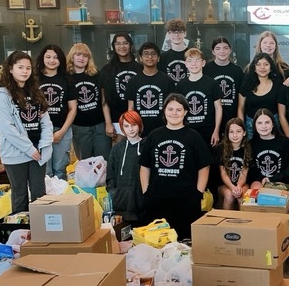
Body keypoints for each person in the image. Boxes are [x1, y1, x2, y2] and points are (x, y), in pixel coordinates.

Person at [139, 93, 214, 237]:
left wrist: (198, 194)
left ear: (185, 112)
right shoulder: (154, 135)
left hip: (186, 200)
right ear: (164, 111)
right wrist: (146, 193)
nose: (174, 113)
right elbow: (144, 167)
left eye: (179, 110)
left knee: (185, 242)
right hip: (157, 199)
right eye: (170, 109)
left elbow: (204, 167)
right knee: (158, 240)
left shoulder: (194, 136)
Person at [0, 51, 53, 214]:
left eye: (28, 68)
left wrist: (44, 145)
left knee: (39, 193)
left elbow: (46, 122)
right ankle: (20, 228)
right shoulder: (2, 96)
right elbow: (7, 129)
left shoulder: (35, 92)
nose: (25, 71)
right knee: (20, 195)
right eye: (20, 67)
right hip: (16, 153)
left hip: (38, 151)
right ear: (10, 69)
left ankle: (40, 227)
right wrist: (29, 148)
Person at [35, 44, 76, 180]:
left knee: (60, 169)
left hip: (62, 129)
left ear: (60, 60)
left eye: (55, 57)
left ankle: (61, 194)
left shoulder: (67, 79)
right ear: (42, 58)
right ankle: (46, 194)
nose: (52, 60)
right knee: (45, 170)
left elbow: (73, 109)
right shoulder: (34, 79)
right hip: (40, 130)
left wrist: (62, 132)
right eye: (48, 57)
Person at [67, 43, 111, 161]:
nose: (81, 58)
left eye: (85, 56)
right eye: (78, 55)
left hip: (100, 125)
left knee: (103, 160)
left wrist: (108, 123)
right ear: (72, 56)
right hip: (79, 127)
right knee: (85, 162)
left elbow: (104, 100)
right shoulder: (67, 78)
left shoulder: (96, 75)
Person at [174, 48, 223, 148]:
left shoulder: (212, 83)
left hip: (208, 132)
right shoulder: (180, 85)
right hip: (187, 131)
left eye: (197, 60)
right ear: (185, 64)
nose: (193, 64)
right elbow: (178, 109)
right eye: (190, 60)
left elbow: (218, 108)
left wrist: (216, 131)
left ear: (203, 63)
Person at [125, 42, 175, 137]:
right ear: (140, 58)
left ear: (158, 58)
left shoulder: (167, 80)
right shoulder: (133, 81)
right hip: (140, 129)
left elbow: (172, 106)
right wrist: (132, 127)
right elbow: (130, 108)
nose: (150, 57)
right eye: (146, 54)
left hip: (163, 129)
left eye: (153, 54)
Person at [100, 32, 141, 142]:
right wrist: (108, 123)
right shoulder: (106, 70)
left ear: (131, 45)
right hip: (116, 121)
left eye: (125, 43)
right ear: (113, 47)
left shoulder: (140, 69)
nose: (121, 46)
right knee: (121, 151)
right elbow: (104, 100)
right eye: (118, 44)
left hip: (138, 119)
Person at [106, 110, 145, 223]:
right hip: (121, 204)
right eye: (126, 126)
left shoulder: (147, 146)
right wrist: (114, 193)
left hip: (143, 203)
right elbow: (110, 175)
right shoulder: (117, 149)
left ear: (139, 125)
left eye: (134, 125)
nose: (130, 129)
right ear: (122, 128)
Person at [248, 108, 289, 190]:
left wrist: (272, 179)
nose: (264, 126)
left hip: (280, 181)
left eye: (267, 122)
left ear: (273, 124)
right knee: (256, 189)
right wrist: (262, 178)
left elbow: (288, 168)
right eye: (259, 123)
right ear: (255, 126)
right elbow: (251, 171)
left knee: (276, 191)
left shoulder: (284, 142)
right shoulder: (251, 144)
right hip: (260, 181)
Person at [238, 52, 282, 138]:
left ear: (271, 67)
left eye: (266, 64)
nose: (262, 67)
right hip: (251, 127)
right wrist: (241, 128)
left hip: (273, 126)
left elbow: (281, 111)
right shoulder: (246, 85)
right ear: (254, 68)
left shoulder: (278, 84)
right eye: (258, 64)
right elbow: (240, 109)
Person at [205, 36, 244, 129]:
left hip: (232, 118)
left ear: (230, 50)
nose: (222, 51)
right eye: (218, 48)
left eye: (225, 48)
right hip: (211, 119)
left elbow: (241, 97)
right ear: (213, 51)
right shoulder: (206, 70)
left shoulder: (237, 71)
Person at [216, 118, 251, 210]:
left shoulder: (248, 148)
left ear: (244, 132)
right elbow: (223, 173)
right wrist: (232, 187)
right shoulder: (220, 148)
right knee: (229, 194)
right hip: (225, 184)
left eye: (238, 131)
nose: (235, 135)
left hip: (242, 183)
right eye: (231, 132)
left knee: (242, 195)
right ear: (227, 134)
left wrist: (238, 186)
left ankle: (243, 219)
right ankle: (225, 218)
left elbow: (244, 173)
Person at [158, 18, 190, 84]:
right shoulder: (163, 57)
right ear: (168, 34)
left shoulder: (191, 55)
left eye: (179, 31)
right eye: (173, 32)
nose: (176, 35)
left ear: (185, 33)